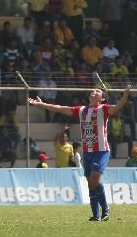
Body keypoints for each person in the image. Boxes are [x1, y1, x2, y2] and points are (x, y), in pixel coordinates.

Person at [29, 86, 131, 221]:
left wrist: (125, 96)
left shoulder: (104, 109)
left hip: (101, 151)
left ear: (102, 99)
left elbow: (117, 107)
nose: (94, 92)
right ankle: (95, 215)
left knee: (94, 179)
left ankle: (105, 208)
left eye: (98, 91)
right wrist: (41, 104)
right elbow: (59, 108)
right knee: (90, 184)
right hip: (88, 152)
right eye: (93, 90)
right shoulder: (82, 110)